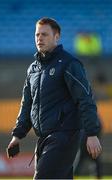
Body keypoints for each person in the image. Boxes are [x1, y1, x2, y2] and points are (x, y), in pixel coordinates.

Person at [7, 17, 102, 179]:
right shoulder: (33, 69)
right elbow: (27, 104)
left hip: (65, 136)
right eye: (37, 35)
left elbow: (85, 98)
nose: (39, 38)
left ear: (56, 37)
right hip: (44, 138)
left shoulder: (69, 64)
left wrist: (92, 134)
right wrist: (17, 136)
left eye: (44, 34)